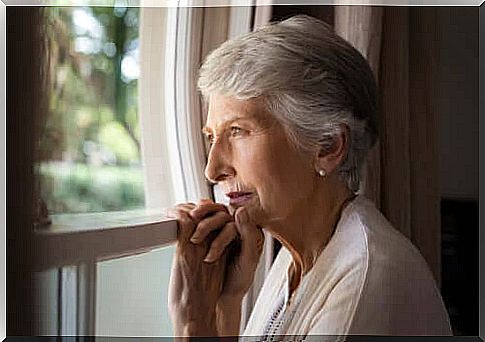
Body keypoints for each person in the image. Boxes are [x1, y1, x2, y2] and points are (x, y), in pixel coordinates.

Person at [167, 15, 452, 339]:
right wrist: (226, 303)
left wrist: (194, 326)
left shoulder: (366, 282)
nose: (212, 170)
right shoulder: (292, 260)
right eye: (211, 137)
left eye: (238, 131)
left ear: (328, 146)